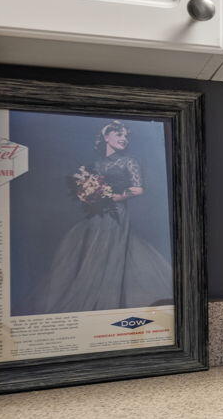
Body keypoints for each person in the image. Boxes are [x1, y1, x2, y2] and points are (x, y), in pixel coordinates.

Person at [27, 120, 173, 315]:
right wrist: (89, 195)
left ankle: (109, 304)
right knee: (88, 251)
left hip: (117, 214)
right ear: (106, 137)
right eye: (119, 134)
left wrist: (117, 196)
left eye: (126, 136)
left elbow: (138, 189)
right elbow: (86, 190)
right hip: (96, 215)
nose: (124, 139)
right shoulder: (95, 165)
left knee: (113, 250)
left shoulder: (129, 161)